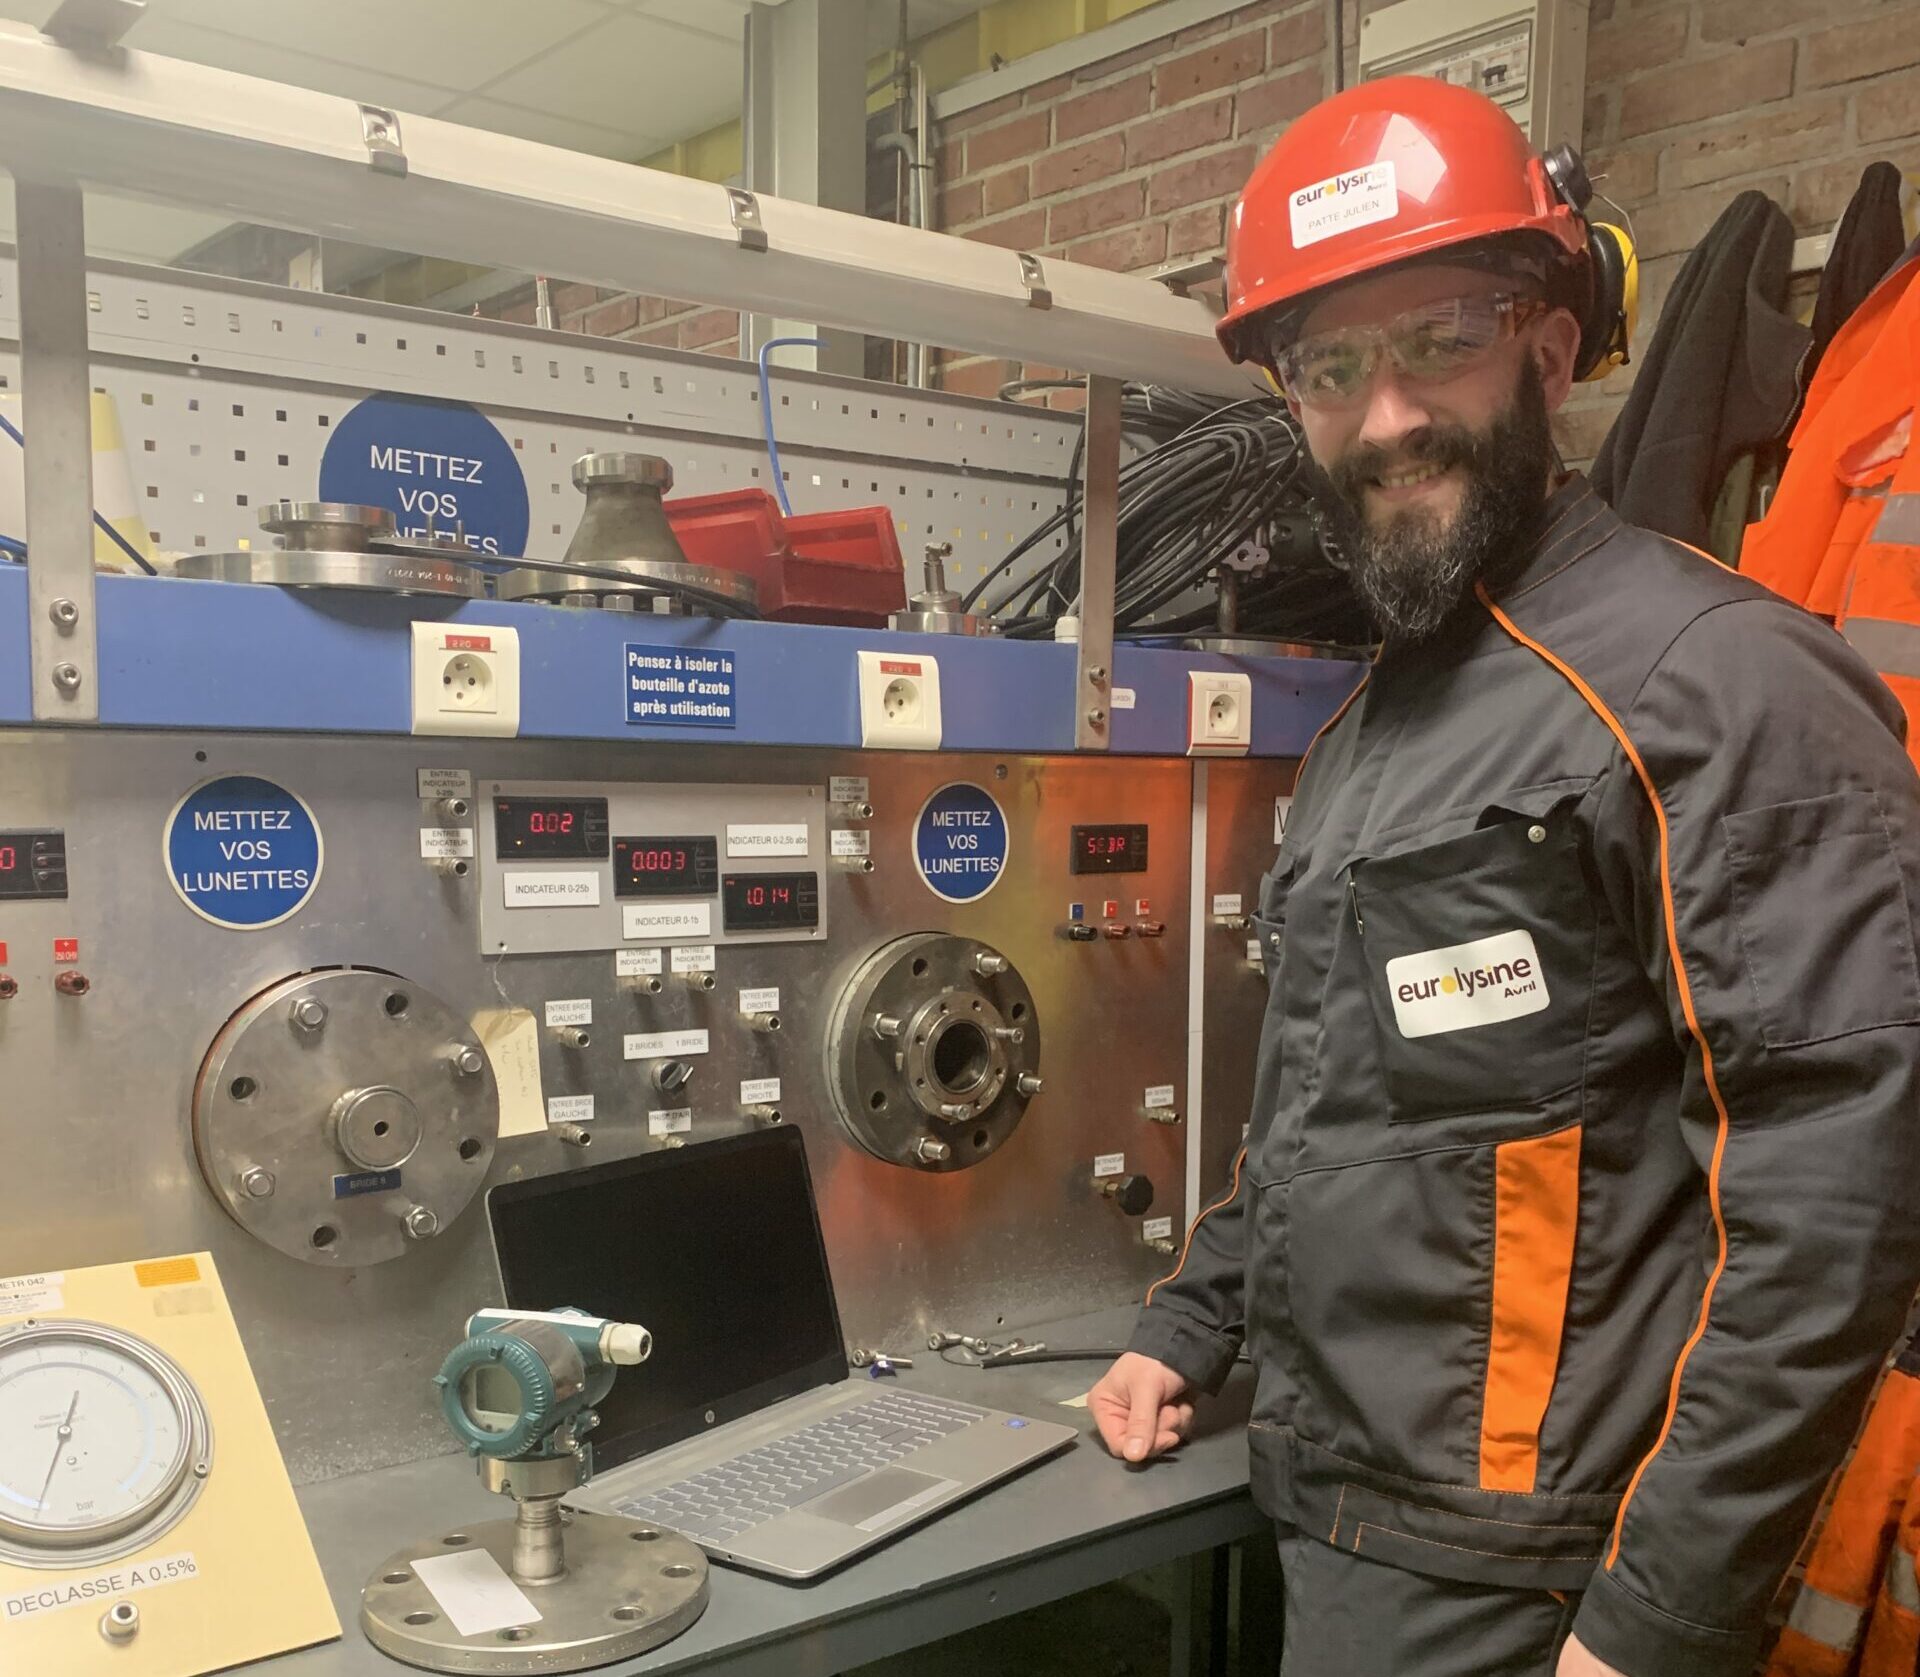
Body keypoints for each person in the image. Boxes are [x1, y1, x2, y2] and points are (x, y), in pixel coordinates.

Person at [1089, 76, 1920, 1677]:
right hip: (1349, 1534)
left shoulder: (1716, 685)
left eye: (1438, 339)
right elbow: (1329, 1105)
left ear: (1547, 346)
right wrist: (1189, 1323)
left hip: (1547, 1595)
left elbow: (1837, 1199)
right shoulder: (1377, 728)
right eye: (1330, 367)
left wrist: (1656, 1617)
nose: (1386, 414)